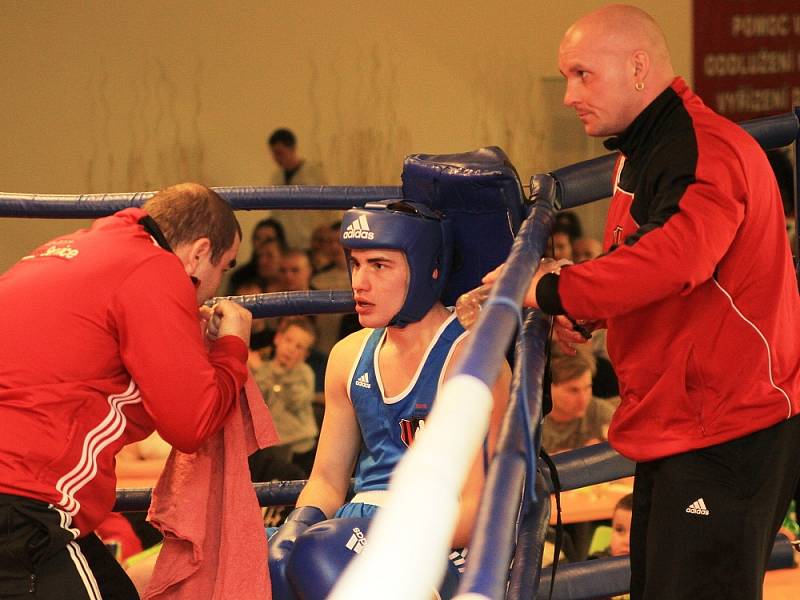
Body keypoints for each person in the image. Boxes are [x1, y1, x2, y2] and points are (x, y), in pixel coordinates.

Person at [485, 5, 800, 598]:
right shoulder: (646, 146)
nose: (568, 95)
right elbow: (647, 254)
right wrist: (589, 307)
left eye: (582, 74)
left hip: (727, 425)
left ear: (637, 67)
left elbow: (679, 258)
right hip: (682, 418)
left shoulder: (702, 149)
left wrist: (555, 289)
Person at [0, 182, 253, 599]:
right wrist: (232, 348)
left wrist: (184, 334)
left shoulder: (74, 249)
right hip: (24, 504)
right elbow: (191, 423)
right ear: (199, 252)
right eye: (224, 268)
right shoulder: (153, 267)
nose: (216, 284)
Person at [268, 200, 510, 600]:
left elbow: (474, 512)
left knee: (319, 557)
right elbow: (327, 480)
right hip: (350, 531)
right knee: (247, 561)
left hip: (438, 547)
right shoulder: (348, 356)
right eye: (356, 263)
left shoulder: (470, 358)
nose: (359, 282)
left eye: (379, 266)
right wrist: (298, 524)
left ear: (427, 270)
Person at [250, 316, 319, 477]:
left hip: (300, 448)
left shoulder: (304, 373)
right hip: (270, 447)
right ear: (278, 338)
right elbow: (257, 401)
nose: (291, 349)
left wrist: (261, 371)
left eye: (299, 347)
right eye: (288, 341)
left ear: (305, 354)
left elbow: (293, 401)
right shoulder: (263, 369)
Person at [267, 128, 339, 249]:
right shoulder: (276, 177)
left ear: (293, 149)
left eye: (280, 153)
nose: (277, 158)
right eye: (274, 153)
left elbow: (332, 206)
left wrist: (328, 232)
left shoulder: (315, 172)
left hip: (313, 242)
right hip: (286, 244)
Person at [541, 353, 615, 455]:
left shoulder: (600, 412)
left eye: (588, 387)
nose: (584, 399)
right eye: (573, 390)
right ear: (549, 388)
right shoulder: (532, 421)